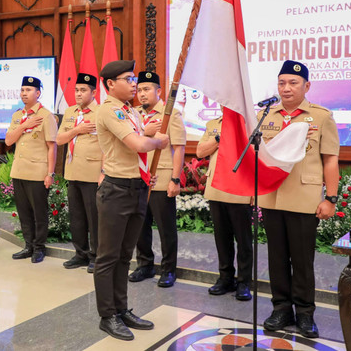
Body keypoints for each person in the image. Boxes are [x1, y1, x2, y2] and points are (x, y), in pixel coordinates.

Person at [259, 60, 339, 339]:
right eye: (282, 83)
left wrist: (330, 198)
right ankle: (281, 308)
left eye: (293, 83)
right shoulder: (266, 115)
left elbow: (330, 159)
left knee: (303, 260)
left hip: (304, 198)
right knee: (277, 257)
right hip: (271, 197)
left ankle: (305, 313)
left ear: (307, 86)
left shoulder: (320, 116)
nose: (286, 88)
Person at [95, 60, 169, 341]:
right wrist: (158, 143)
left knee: (125, 256)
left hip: (137, 187)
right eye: (128, 79)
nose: (134, 84)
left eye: (134, 78)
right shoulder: (110, 109)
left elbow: (140, 138)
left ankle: (121, 309)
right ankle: (107, 316)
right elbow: (138, 144)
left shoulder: (129, 110)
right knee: (108, 257)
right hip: (116, 191)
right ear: (111, 83)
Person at [128, 71, 185, 288]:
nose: (142, 94)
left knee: (165, 228)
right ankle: (145, 265)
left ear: (159, 91)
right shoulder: (133, 114)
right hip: (137, 176)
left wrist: (175, 179)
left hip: (160, 177)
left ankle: (169, 270)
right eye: (139, 89)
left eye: (147, 89)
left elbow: (178, 149)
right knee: (139, 225)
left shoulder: (171, 114)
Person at [196, 111, 253, 301]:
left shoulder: (249, 123)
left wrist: (254, 190)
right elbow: (200, 151)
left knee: (243, 240)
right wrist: (219, 139)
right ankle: (225, 278)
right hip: (216, 187)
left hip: (240, 188)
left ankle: (244, 282)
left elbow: (256, 158)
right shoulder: (214, 123)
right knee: (222, 238)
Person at [5, 76, 58, 263]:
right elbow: (9, 140)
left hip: (38, 172)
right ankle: (28, 246)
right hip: (19, 171)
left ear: (38, 93)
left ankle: (39, 248)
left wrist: (50, 174)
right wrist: (24, 125)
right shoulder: (17, 116)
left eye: (28, 90)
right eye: (22, 90)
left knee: (39, 213)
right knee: (24, 212)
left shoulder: (46, 116)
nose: (24, 93)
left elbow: (52, 146)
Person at [56, 73, 102, 273]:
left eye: (83, 90)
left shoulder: (101, 112)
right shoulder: (70, 112)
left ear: (94, 92)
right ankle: (80, 254)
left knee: (94, 218)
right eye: (76, 90)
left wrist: (104, 172)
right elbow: (60, 139)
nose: (78, 93)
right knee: (76, 217)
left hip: (93, 173)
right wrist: (77, 129)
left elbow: (107, 145)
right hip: (72, 171)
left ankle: (96, 256)